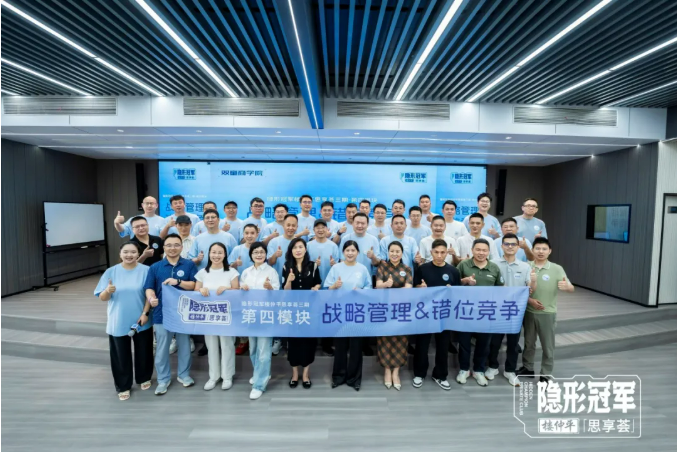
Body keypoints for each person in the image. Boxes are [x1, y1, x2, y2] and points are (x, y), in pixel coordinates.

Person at [94, 242, 152, 401]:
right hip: (118, 319)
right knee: (120, 355)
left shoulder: (146, 270)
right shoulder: (110, 272)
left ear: (138, 253)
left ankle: (144, 377)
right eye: (125, 252)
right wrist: (107, 291)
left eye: (133, 252)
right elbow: (102, 297)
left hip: (141, 318)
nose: (129, 255)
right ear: (120, 254)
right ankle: (123, 386)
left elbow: (150, 294)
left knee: (144, 351)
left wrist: (145, 313)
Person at [143, 233, 197, 395]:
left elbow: (194, 285)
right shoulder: (155, 267)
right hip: (161, 313)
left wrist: (178, 282)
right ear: (164, 247)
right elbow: (149, 288)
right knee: (162, 348)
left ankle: (184, 375)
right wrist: (151, 298)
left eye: (176, 245)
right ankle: (163, 379)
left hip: (184, 313)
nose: (172, 248)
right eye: (169, 245)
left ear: (181, 247)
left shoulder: (189, 265)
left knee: (184, 345)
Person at [517, 237, 573, 383]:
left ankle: (545, 374)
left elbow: (571, 287)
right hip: (528, 311)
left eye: (544, 249)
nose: (540, 252)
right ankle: (528, 368)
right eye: (537, 248)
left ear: (550, 251)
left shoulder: (556, 268)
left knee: (548, 346)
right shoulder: (526, 266)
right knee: (528, 343)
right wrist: (530, 301)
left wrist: (567, 287)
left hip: (547, 313)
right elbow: (520, 289)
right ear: (532, 250)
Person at [488, 233, 536, 387]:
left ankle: (510, 370)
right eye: (507, 244)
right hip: (496, 310)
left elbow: (530, 289)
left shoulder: (525, 266)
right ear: (502, 246)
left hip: (516, 310)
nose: (510, 247)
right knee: (494, 342)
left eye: (513, 244)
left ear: (518, 247)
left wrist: (533, 282)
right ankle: (492, 366)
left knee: (513, 342)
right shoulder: (492, 263)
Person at [412, 239, 461, 390]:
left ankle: (440, 375)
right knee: (422, 345)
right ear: (431, 252)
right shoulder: (422, 269)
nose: (439, 256)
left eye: (442, 252)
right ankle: (419, 374)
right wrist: (420, 287)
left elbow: (458, 293)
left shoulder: (453, 271)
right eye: (436, 252)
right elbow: (414, 288)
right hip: (425, 312)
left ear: (447, 253)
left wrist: (451, 290)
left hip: (444, 314)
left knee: (443, 346)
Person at [324, 240, 373, 391]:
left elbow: (369, 288)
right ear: (343, 252)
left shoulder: (363, 269)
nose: (350, 253)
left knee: (356, 347)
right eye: (347, 250)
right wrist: (335, 286)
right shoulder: (336, 268)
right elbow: (326, 289)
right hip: (339, 311)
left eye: (353, 250)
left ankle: (354, 379)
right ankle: (338, 377)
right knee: (340, 347)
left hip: (357, 311)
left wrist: (361, 291)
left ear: (357, 252)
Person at [455, 238, 504, 387]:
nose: (481, 253)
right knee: (464, 343)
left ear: (488, 252)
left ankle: (479, 370)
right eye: (478, 249)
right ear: (472, 250)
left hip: (486, 312)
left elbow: (500, 289)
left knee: (484, 343)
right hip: (465, 311)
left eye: (484, 250)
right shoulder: (463, 265)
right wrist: (464, 281)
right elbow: (453, 285)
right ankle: (464, 369)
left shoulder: (494, 268)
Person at [195, 242, 239, 391]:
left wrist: (227, 288)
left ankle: (227, 376)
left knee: (227, 345)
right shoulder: (202, 272)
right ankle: (213, 376)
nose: (216, 255)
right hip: (208, 316)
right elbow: (195, 291)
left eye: (220, 252)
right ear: (209, 254)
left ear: (225, 254)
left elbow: (237, 290)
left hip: (227, 315)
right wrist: (201, 290)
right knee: (211, 346)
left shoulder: (231, 272)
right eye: (213, 252)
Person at [240, 241, 280, 400]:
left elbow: (278, 294)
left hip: (266, 316)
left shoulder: (272, 272)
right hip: (250, 316)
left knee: (263, 351)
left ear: (266, 254)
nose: (259, 255)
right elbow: (241, 292)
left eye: (262, 252)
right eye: (255, 252)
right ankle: (261, 373)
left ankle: (259, 385)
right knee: (253, 349)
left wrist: (270, 288)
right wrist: (242, 287)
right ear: (251, 255)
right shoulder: (246, 272)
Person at [283, 238, 321, 389]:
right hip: (292, 311)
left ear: (305, 249)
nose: (298, 250)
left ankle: (305, 374)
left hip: (309, 310)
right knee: (293, 342)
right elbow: (285, 291)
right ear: (291, 251)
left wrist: (316, 288)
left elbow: (318, 282)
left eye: (300, 247)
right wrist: (289, 281)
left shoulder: (313, 266)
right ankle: (294, 374)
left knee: (308, 342)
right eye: (295, 247)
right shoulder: (286, 266)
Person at [375, 241, 413, 391]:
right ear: (388, 252)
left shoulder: (407, 269)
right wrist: (386, 285)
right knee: (384, 339)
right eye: (392, 251)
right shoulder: (382, 267)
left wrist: (392, 290)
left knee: (401, 339)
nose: (394, 254)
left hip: (401, 309)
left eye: (397, 251)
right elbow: (378, 286)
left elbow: (409, 288)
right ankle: (386, 370)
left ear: (402, 253)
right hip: (384, 309)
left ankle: (396, 372)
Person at [306, 219, 340, 357]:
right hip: (313, 287)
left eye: (323, 227)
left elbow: (339, 266)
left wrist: (334, 264)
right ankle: (312, 344)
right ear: (314, 230)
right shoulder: (308, 245)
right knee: (312, 316)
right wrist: (312, 264)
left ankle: (327, 345)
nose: (320, 230)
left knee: (328, 316)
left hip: (329, 287)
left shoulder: (333, 246)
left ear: (327, 230)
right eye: (317, 228)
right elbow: (302, 264)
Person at [267, 214, 299, 284]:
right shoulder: (274, 242)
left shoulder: (300, 243)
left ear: (297, 227)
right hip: (277, 282)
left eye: (293, 225)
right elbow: (269, 263)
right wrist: (275, 255)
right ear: (283, 225)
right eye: (288, 225)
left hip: (295, 283)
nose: (290, 228)